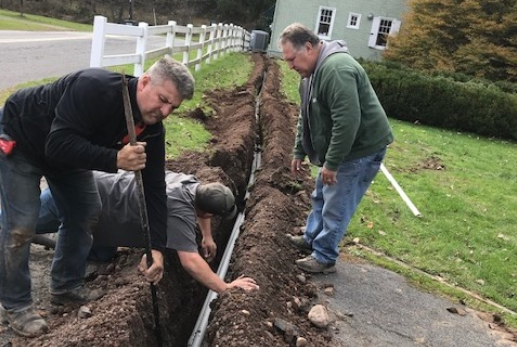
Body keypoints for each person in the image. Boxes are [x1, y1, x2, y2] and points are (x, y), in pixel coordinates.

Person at [0, 56, 195, 337]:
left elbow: (154, 188)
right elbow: (57, 143)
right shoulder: (95, 89)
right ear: (145, 82)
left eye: (172, 107)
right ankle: (16, 304)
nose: (165, 111)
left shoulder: (151, 129)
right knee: (20, 226)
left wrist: (156, 248)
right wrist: (115, 158)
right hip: (24, 138)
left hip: (66, 156)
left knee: (87, 210)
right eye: (163, 99)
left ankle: (66, 285)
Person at [278, 23, 394, 274]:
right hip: (344, 146)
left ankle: (325, 256)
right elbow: (305, 115)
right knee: (321, 194)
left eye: (292, 59)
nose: (290, 66)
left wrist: (331, 164)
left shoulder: (336, 70)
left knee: (336, 203)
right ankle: (312, 238)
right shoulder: (310, 76)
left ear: (308, 47)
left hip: (360, 148)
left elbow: (347, 121)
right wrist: (299, 149)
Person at [34, 170, 259, 294]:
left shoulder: (192, 185)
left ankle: (61, 239)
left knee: (102, 255)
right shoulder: (177, 208)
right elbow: (190, 261)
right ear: (208, 212)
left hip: (105, 211)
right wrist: (225, 287)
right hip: (79, 196)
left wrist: (207, 236)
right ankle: (46, 233)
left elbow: (202, 210)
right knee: (19, 224)